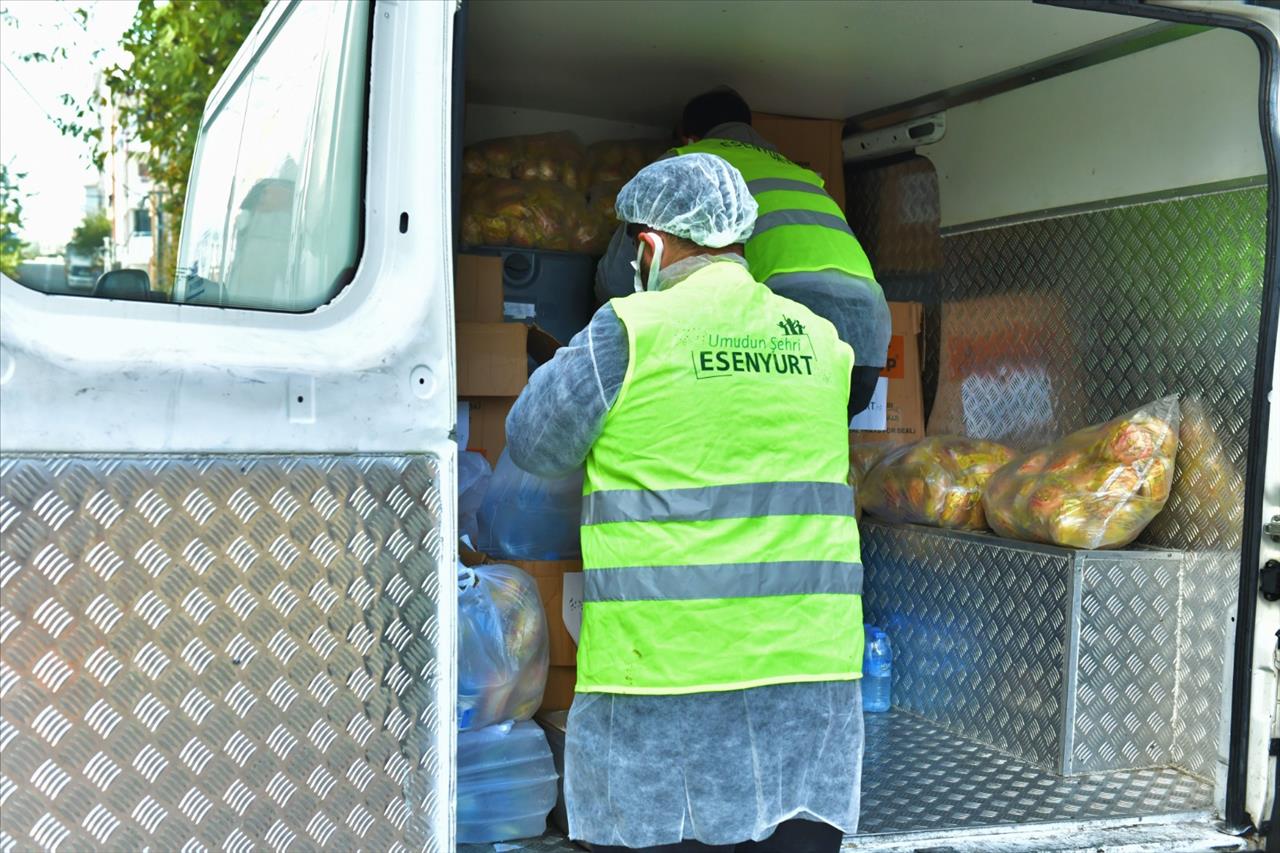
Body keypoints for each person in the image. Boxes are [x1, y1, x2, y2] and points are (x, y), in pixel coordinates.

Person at [506, 153, 865, 853]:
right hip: (811, 683)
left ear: (648, 246)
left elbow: (532, 441)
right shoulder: (821, 341)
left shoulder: (631, 330)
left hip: (663, 683)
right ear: (739, 240)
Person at [597, 87, 890, 418]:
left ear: (690, 136)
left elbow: (616, 280)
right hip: (869, 328)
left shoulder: (688, 164)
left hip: (787, 319)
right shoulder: (799, 170)